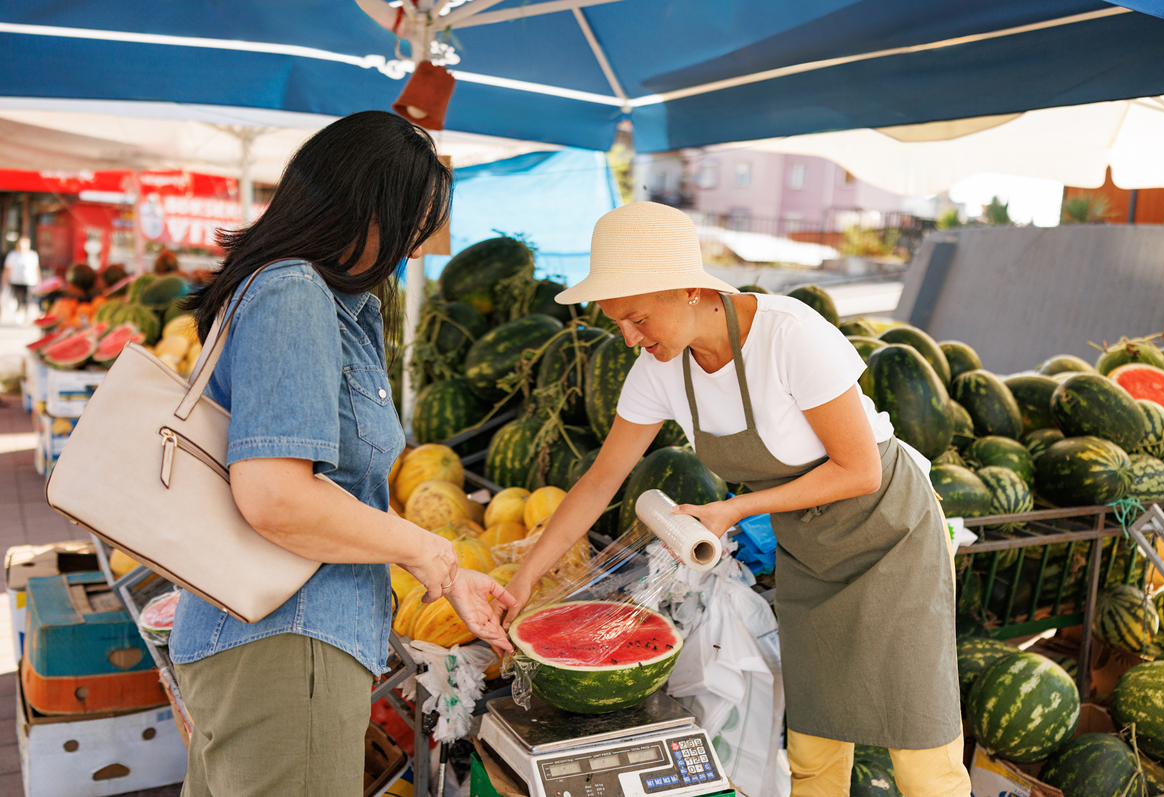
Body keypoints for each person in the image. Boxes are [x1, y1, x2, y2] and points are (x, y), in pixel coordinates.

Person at [500, 202, 970, 797]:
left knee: (922, 756)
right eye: (618, 323)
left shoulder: (788, 335)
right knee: (814, 752)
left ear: (690, 289)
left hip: (891, 538)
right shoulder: (658, 369)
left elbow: (860, 471)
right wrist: (526, 578)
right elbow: (599, 482)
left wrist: (733, 510)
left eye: (638, 318)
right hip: (809, 553)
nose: (630, 338)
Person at [168, 110, 516, 797]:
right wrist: (426, 549)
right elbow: (276, 496)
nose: (415, 249)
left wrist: (447, 574)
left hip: (273, 640)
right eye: (414, 225)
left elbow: (340, 494)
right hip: (286, 642)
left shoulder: (314, 297)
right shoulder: (293, 292)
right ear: (369, 211)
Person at [3, 236, 40, 323]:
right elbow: (7, 269)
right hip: (16, 281)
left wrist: (39, 281)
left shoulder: (32, 255)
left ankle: (25, 314)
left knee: (28, 298)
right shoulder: (12, 255)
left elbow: (36, 269)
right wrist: (5, 280)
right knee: (18, 297)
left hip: (29, 281)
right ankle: (19, 312)